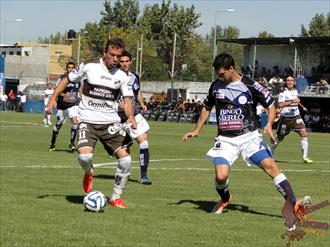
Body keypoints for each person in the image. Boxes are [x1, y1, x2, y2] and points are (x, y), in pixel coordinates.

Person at [181, 53, 310, 223]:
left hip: (249, 137)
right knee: (221, 176)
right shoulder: (216, 86)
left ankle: (295, 205)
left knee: (271, 166)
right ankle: (225, 199)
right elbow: (206, 107)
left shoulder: (250, 85)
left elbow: (272, 105)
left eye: (222, 74)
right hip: (226, 140)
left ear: (231, 69)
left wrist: (269, 125)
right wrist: (197, 129)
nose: (220, 78)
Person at [46, 38, 137, 209]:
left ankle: (115, 198)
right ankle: (89, 172)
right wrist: (52, 98)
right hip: (87, 121)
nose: (115, 59)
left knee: (126, 161)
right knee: (85, 157)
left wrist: (130, 117)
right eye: (112, 55)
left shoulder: (123, 76)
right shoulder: (89, 66)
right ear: (105, 53)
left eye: (118, 55)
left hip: (110, 122)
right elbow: (66, 80)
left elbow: (127, 100)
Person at [118, 50, 152, 185]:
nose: (125, 64)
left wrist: (142, 103)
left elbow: (136, 92)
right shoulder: (113, 76)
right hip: (117, 117)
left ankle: (144, 176)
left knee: (144, 141)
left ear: (131, 62)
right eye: (122, 61)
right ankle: (124, 174)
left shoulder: (135, 77)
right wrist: (119, 106)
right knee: (125, 149)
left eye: (127, 61)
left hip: (134, 114)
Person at [270, 76, 313, 164]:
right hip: (286, 119)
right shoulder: (283, 93)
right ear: (286, 82)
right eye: (288, 80)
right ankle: (270, 152)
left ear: (294, 82)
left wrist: (300, 104)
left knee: (304, 134)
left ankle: (305, 156)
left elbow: (296, 100)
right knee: (279, 138)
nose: (290, 82)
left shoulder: (295, 91)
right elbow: (280, 105)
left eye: (291, 80)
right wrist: (292, 101)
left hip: (296, 117)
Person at [49, 62, 80, 152]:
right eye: (69, 67)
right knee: (58, 125)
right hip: (62, 105)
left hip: (73, 104)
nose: (70, 69)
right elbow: (57, 91)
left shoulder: (78, 78)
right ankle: (53, 142)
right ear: (66, 69)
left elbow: (80, 89)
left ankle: (71, 142)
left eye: (72, 68)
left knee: (75, 122)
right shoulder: (62, 78)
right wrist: (64, 94)